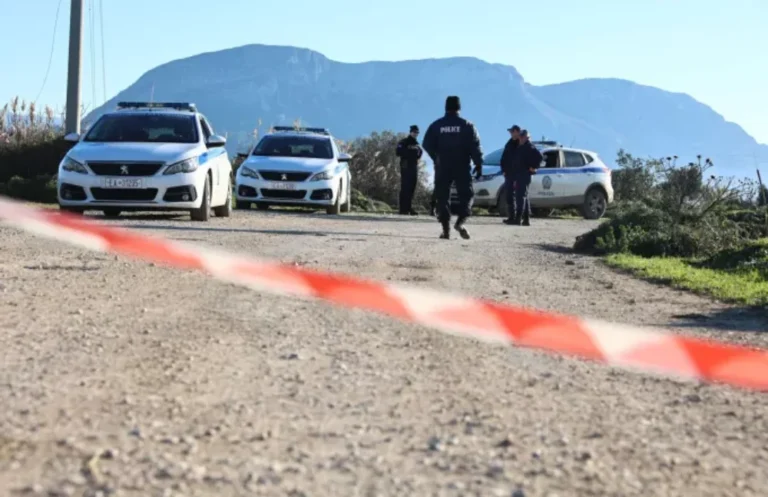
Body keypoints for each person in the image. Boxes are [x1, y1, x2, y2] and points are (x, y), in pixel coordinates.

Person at [423, 96, 483, 240]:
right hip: (462, 165)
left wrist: (436, 157)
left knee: (442, 197)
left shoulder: (436, 125)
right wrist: (478, 164)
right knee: (467, 195)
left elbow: (426, 144)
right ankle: (460, 223)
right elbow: (475, 146)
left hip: (443, 166)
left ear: (445, 107)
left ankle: (446, 231)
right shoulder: (467, 125)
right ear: (459, 108)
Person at [509, 129, 543, 226]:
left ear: (526, 138)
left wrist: (533, 167)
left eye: (522, 137)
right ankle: (526, 219)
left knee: (520, 197)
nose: (520, 139)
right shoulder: (521, 147)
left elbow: (539, 157)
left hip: (524, 174)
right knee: (524, 197)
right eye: (520, 137)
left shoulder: (529, 147)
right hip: (519, 174)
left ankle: (518, 218)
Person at [396, 125, 423, 215]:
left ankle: (409, 207)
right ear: (410, 132)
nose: (415, 134)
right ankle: (403, 209)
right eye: (414, 132)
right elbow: (398, 152)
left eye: (417, 132)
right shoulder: (404, 141)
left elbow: (420, 153)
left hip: (414, 166)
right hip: (406, 166)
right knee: (405, 187)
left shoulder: (417, 144)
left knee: (412, 187)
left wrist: (416, 154)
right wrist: (410, 152)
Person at [499, 125, 521, 224]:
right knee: (509, 196)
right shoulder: (509, 143)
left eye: (512, 132)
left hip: (517, 174)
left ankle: (517, 218)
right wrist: (503, 170)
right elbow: (504, 157)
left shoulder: (520, 143)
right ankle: (511, 216)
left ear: (517, 132)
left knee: (518, 196)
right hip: (508, 174)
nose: (511, 134)